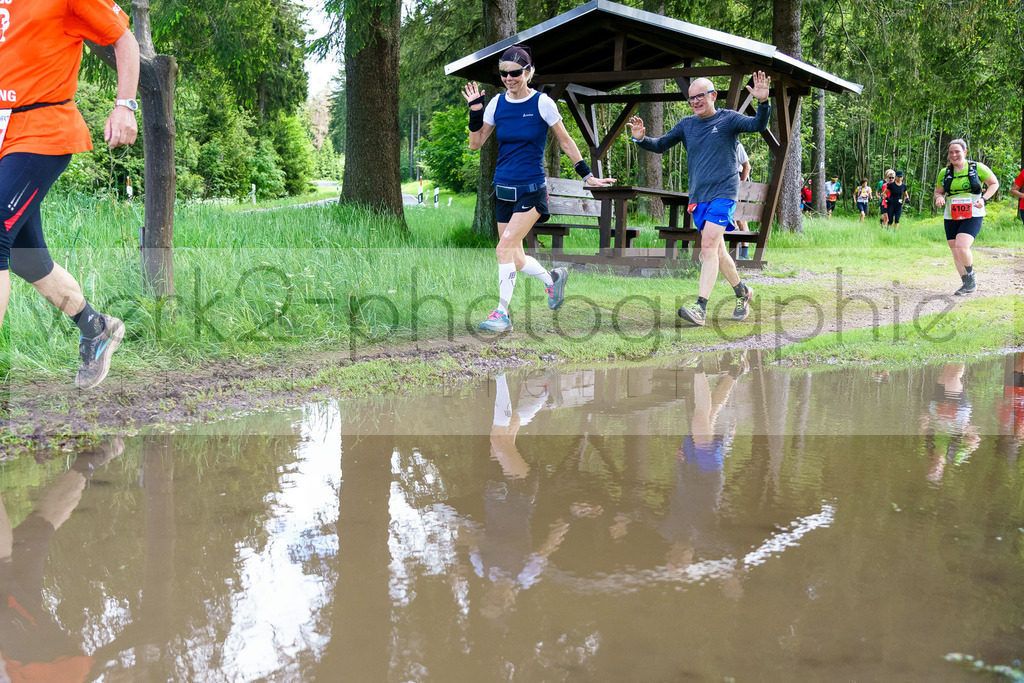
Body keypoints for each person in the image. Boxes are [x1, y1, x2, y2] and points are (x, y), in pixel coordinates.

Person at [0, 0, 138, 389]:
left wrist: (125, 106)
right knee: (27, 259)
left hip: (44, 131)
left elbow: (123, 39)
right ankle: (95, 327)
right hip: (5, 135)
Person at [463, 45, 615, 333]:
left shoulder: (542, 103)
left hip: (532, 189)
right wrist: (475, 111)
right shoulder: (497, 103)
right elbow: (476, 142)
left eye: (515, 73)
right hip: (503, 189)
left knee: (503, 248)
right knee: (515, 258)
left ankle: (502, 314)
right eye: (504, 74)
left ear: (528, 72)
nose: (509, 78)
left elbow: (567, 141)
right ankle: (553, 279)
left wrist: (587, 175)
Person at [626, 72, 772, 326]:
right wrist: (640, 139)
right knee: (718, 252)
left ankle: (700, 307)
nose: (695, 101)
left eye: (700, 96)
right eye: (691, 98)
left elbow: (758, 125)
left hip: (724, 194)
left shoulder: (729, 119)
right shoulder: (686, 125)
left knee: (707, 247)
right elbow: (660, 145)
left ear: (713, 96)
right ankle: (743, 292)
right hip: (699, 198)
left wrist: (763, 102)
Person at [933, 138, 999, 296]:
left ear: (964, 152)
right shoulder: (945, 172)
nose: (954, 155)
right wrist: (939, 198)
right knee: (955, 250)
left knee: (962, 247)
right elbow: (938, 191)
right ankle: (966, 284)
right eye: (951, 152)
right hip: (951, 213)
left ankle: (971, 277)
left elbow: (994, 183)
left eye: (957, 151)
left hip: (973, 212)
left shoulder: (977, 167)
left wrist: (983, 199)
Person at [735, 141, 751, 258]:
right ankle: (734, 252)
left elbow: (747, 167)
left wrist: (741, 189)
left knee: (741, 219)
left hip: (741, 182)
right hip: (728, 184)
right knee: (732, 219)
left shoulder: (737, 145)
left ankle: (744, 254)